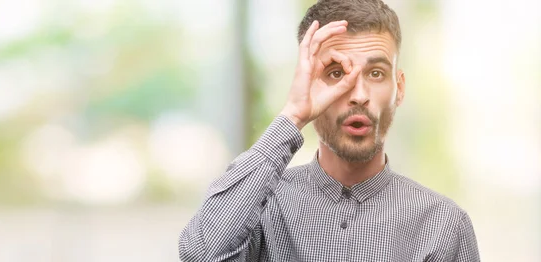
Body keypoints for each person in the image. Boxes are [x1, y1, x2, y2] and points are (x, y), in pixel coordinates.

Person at [178, 0, 480, 261]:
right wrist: (293, 116)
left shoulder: (443, 226)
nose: (358, 94)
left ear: (398, 89)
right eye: (336, 73)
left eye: (376, 73)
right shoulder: (260, 208)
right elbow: (201, 254)